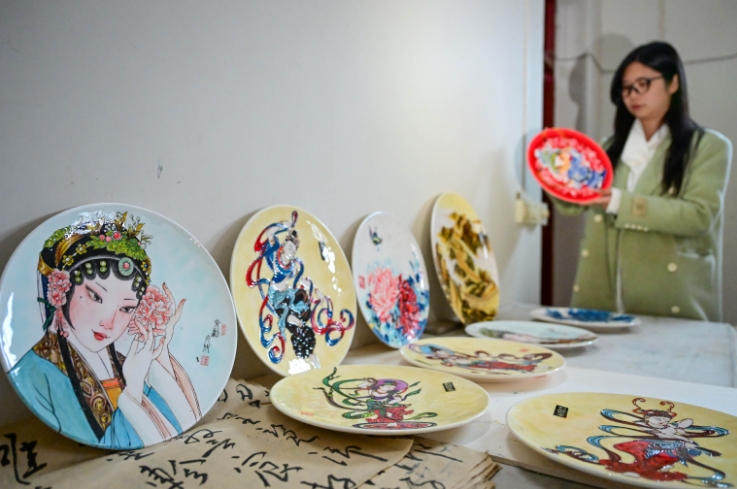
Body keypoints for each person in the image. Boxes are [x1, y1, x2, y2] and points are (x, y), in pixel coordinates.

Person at [553, 41, 732, 322]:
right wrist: (553, 170)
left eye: (643, 84)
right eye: (626, 88)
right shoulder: (608, 147)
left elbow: (700, 215)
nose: (633, 95)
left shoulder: (708, 146)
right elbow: (572, 205)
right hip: (604, 291)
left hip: (671, 295)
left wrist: (620, 203)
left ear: (673, 83)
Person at [9, 212, 201, 448]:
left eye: (126, 308)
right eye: (95, 296)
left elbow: (175, 430)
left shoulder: (126, 363)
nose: (108, 323)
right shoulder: (34, 373)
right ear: (64, 287)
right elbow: (106, 445)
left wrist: (159, 354)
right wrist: (132, 389)